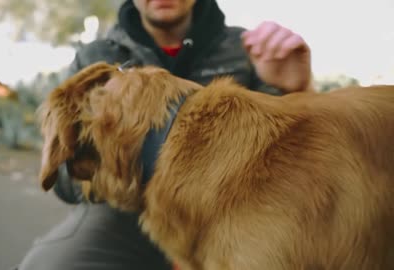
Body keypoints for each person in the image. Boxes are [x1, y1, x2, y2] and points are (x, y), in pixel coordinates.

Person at [17, 0, 313, 269]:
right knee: (51, 264)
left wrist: (297, 89)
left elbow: (297, 161)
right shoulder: (98, 57)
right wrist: (118, 160)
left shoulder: (249, 48)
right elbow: (63, 183)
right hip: (123, 219)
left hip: (233, 213)